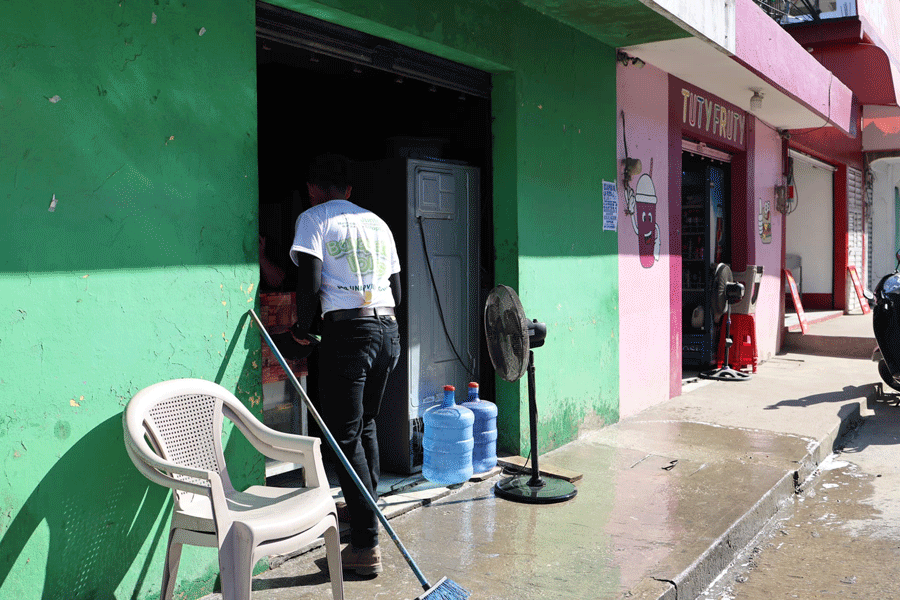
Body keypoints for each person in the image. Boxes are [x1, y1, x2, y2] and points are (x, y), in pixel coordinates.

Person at [288, 153, 401, 576]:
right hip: (387, 330)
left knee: (343, 436)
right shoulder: (378, 223)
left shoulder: (313, 218)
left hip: (349, 333)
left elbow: (309, 282)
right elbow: (396, 290)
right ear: (349, 190)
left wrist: (303, 329)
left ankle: (366, 546)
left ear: (312, 189)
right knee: (364, 425)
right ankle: (364, 514)